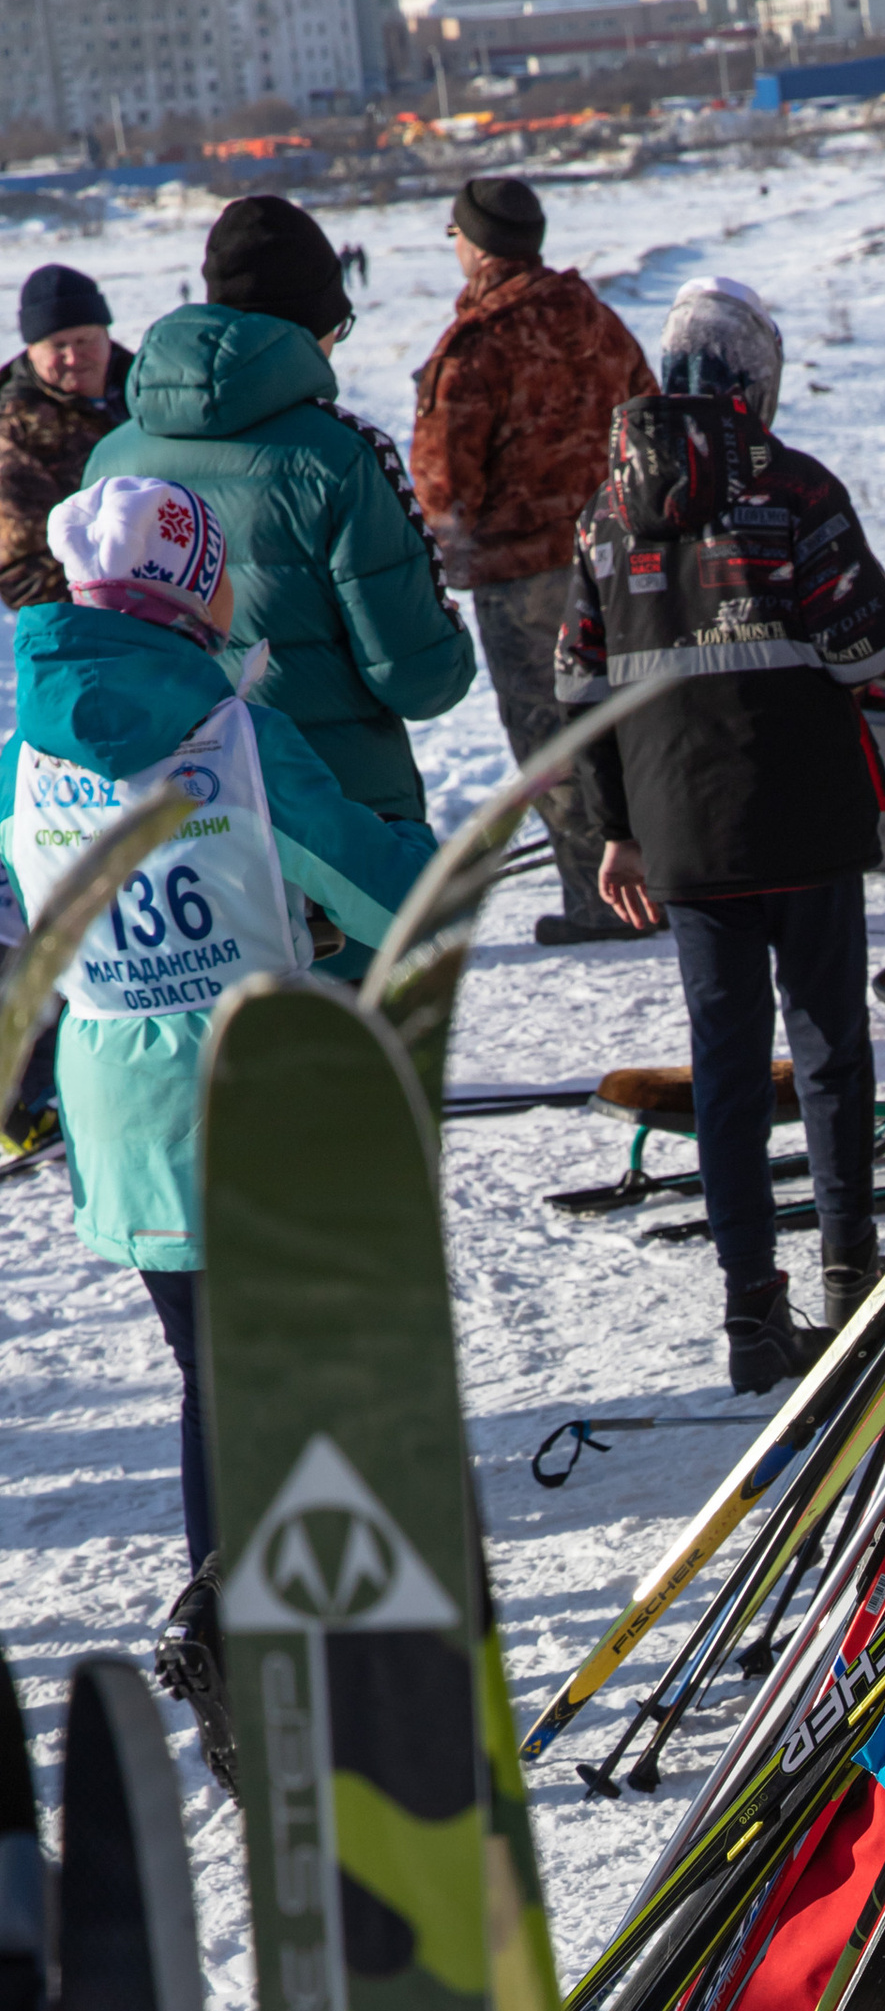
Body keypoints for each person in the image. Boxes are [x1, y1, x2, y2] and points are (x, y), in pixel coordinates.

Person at [0, 476, 432, 1791]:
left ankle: (239, 1650)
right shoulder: (236, 733)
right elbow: (374, 886)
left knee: (217, 1377)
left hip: (124, 1111)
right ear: (190, 588)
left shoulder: (25, 735)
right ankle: (262, 1651)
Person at [560, 275, 885, 1394]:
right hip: (802, 820)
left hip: (680, 836)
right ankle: (851, 1280)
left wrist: (617, 830)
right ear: (757, 377)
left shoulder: (606, 509)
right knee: (829, 1054)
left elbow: (578, 682)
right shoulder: (796, 489)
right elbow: (862, 648)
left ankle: (750, 1315)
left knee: (724, 1070)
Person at [89, 194, 473, 841]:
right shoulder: (342, 456)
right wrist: (449, 638)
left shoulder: (111, 458)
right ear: (313, 325)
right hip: (337, 817)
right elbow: (418, 678)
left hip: (175, 824)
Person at [410, 174, 651, 943]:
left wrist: (440, 567)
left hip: (525, 581)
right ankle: (666, 881)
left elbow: (444, 484)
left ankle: (601, 903)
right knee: (631, 722)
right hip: (624, 561)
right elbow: (650, 414)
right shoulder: (597, 317)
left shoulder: (476, 344)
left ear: (474, 243)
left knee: (554, 740)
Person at [0, 266, 131, 611]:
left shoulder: (149, 392)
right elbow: (21, 570)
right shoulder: (13, 430)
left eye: (83, 341)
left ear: (106, 335)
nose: (73, 358)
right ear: (31, 350)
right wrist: (125, 612)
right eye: (57, 346)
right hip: (93, 626)